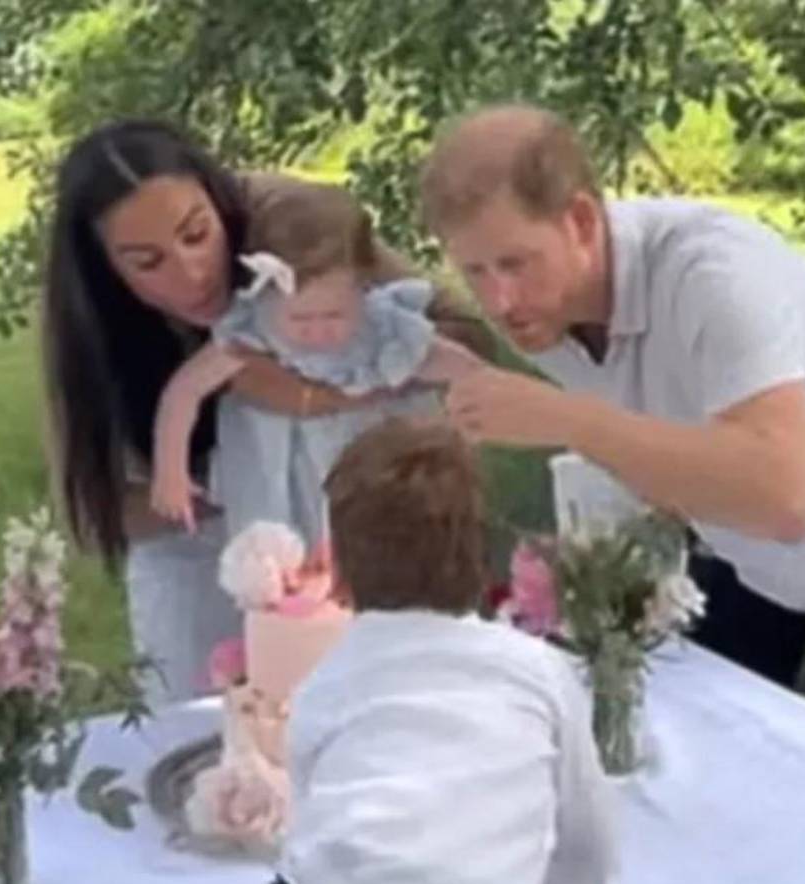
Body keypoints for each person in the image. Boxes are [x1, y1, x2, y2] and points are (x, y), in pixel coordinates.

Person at [429, 103, 805, 804]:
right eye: (475, 272)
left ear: (583, 221)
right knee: (718, 738)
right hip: (738, 528)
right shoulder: (546, 310)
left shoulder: (711, 271)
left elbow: (785, 497)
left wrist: (565, 419)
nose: (501, 300)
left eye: (515, 263)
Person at [40, 119, 494, 704]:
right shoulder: (92, 330)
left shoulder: (295, 231)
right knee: (219, 730)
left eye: (196, 234)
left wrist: (322, 399)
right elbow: (97, 507)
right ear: (106, 271)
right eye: (147, 262)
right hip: (205, 547)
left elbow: (462, 336)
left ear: (217, 201)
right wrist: (226, 482)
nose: (192, 272)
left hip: (361, 514)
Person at [256, 416, 617, 884]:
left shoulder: (326, 682)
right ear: (481, 555)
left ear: (338, 573)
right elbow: (585, 835)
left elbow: (311, 822)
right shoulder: (539, 670)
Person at [149, 184, 482, 538]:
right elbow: (184, 392)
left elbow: (465, 368)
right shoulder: (255, 331)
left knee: (393, 546)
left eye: (334, 315)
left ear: (363, 287)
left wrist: (473, 415)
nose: (317, 331)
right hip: (281, 485)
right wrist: (171, 471)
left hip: (373, 474)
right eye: (300, 319)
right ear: (267, 293)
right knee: (287, 563)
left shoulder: (381, 330)